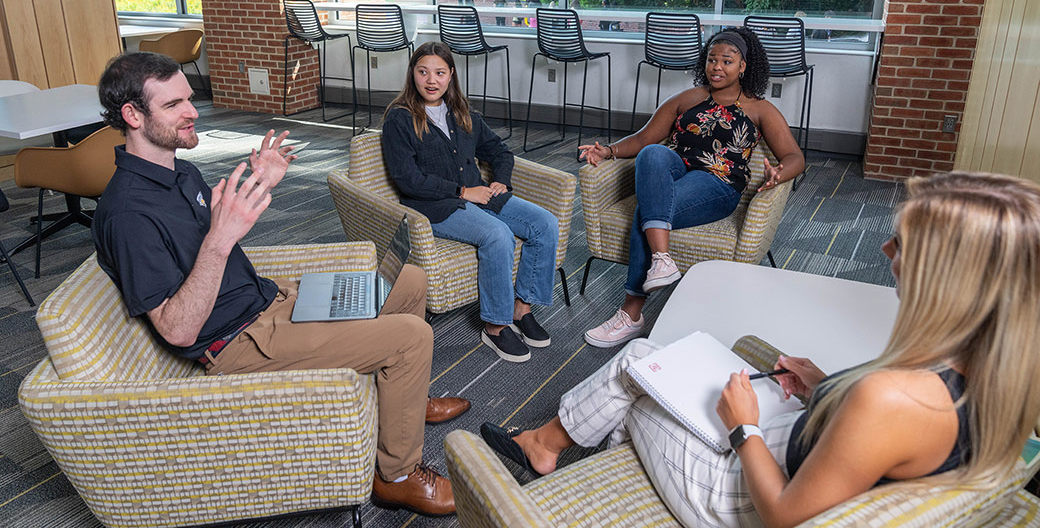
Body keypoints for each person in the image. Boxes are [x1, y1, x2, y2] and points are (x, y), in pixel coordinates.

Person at [480, 171, 1040, 528]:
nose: (885, 246)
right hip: (800, 450)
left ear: (954, 279)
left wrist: (743, 426)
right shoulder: (1003, 383)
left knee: (640, 365)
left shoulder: (892, 398)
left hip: (747, 494)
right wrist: (823, 387)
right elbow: (884, 443)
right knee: (657, 369)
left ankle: (551, 452)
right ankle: (566, 456)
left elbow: (782, 517)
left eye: (904, 242)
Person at [90, 52, 469, 518]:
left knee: (408, 281)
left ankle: (405, 397)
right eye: (173, 106)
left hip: (267, 299)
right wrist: (220, 241)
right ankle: (397, 477)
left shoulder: (178, 170)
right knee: (413, 337)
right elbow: (178, 329)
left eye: (190, 98)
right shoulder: (128, 213)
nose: (192, 111)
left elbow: (217, 226)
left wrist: (259, 181)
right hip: (237, 342)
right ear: (132, 115)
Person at [578, 27, 804, 348]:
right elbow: (645, 138)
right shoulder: (688, 99)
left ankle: (631, 312)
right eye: (712, 59)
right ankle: (663, 261)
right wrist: (609, 151)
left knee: (647, 211)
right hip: (675, 170)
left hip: (718, 184)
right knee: (653, 153)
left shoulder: (759, 109)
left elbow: (795, 156)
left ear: (743, 67)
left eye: (727, 61)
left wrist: (780, 173)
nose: (717, 67)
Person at [381, 42, 559, 365]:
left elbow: (500, 152)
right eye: (423, 72)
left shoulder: (462, 112)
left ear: (451, 75)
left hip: (480, 195)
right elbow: (407, 180)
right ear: (413, 75)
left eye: (439, 72)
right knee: (497, 235)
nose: (431, 80)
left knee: (544, 224)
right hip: (436, 207)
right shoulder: (399, 119)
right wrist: (463, 192)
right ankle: (494, 325)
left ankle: (522, 309)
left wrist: (500, 180)